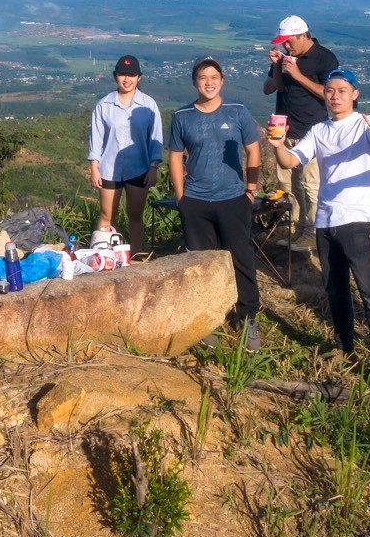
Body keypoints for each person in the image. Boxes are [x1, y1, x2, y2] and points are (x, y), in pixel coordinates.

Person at [268, 69, 370, 385]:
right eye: (330, 90)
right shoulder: (319, 130)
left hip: (357, 218)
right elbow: (290, 162)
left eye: (342, 90)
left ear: (355, 94)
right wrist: (278, 145)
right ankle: (344, 345)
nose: (335, 95)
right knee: (335, 289)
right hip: (325, 220)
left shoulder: (364, 126)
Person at [166, 57, 263, 349]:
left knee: (241, 259)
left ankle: (248, 317)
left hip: (233, 198)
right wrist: (181, 197)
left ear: (222, 81)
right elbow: (175, 157)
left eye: (214, 77)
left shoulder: (237, 111)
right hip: (196, 201)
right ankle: (208, 320)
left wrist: (250, 190)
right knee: (202, 263)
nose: (209, 82)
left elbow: (253, 151)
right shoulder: (182, 116)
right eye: (203, 77)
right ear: (194, 82)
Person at [263, 15, 338, 250]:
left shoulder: (324, 58)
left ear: (303, 36)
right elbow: (271, 88)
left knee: (309, 184)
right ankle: (297, 227)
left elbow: (329, 94)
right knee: (289, 185)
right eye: (283, 42)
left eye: (289, 41)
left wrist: (298, 76)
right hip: (285, 130)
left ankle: (314, 232)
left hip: (311, 130)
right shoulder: (287, 57)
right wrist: (278, 67)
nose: (286, 46)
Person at [87, 55, 163, 256]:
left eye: (132, 75)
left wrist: (154, 167)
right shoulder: (104, 105)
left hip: (139, 167)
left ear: (139, 78)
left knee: (135, 214)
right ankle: (101, 256)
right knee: (106, 214)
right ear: (115, 77)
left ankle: (136, 256)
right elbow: (96, 138)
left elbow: (155, 138)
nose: (127, 79)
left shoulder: (148, 105)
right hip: (109, 168)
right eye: (123, 74)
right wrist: (94, 167)